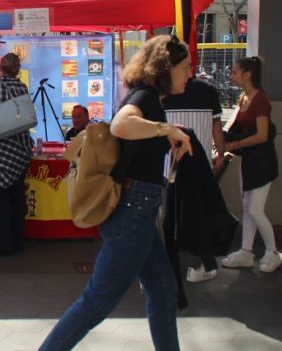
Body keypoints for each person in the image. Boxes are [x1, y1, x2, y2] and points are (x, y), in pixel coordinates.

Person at [39, 35, 193, 351]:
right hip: (133, 213)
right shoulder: (145, 97)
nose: (190, 73)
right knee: (98, 299)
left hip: (140, 209)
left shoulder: (148, 97)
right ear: (167, 68)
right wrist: (166, 130)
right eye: (186, 67)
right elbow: (121, 126)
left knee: (164, 291)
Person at [162, 76, 227, 283]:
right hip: (198, 165)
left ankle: (184, 264)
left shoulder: (160, 93)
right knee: (196, 214)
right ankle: (197, 264)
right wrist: (220, 154)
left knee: (171, 215)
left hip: (169, 166)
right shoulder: (207, 90)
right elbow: (216, 125)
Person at [221, 56, 281, 273]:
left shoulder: (260, 99)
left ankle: (272, 253)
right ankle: (246, 252)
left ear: (248, 74)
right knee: (248, 208)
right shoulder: (244, 97)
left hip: (263, 163)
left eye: (235, 72)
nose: (232, 75)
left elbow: (262, 135)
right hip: (249, 161)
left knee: (255, 210)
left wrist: (232, 144)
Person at [0, 52, 34, 256]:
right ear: (18, 70)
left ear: (1, 68)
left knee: (2, 199)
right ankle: (18, 239)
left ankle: (3, 243)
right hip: (20, 150)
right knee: (18, 197)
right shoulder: (22, 87)